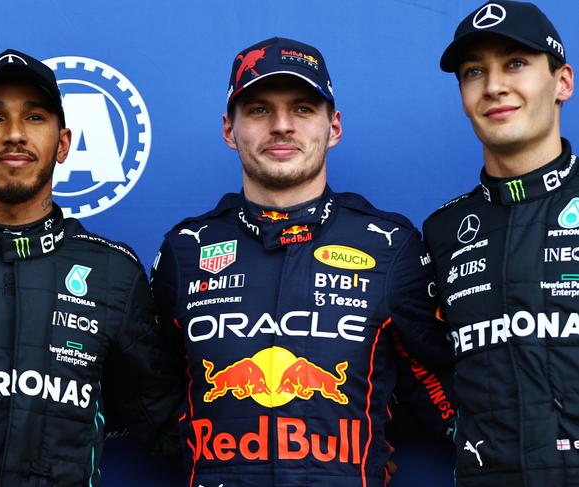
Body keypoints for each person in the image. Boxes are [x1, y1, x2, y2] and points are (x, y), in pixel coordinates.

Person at [150, 37, 454, 487]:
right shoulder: (187, 248)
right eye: (258, 110)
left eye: (303, 109)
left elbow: (435, 382)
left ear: (333, 127)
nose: (281, 126)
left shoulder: (391, 244)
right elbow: (149, 388)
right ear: (229, 130)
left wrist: (362, 453)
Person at [0, 49, 181, 486]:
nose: (13, 135)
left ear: (62, 144)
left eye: (34, 118)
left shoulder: (113, 273)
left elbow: (166, 422)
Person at [424, 1, 577, 485]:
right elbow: (422, 364)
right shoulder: (442, 231)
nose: (493, 86)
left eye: (516, 63)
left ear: (562, 82)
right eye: (474, 72)